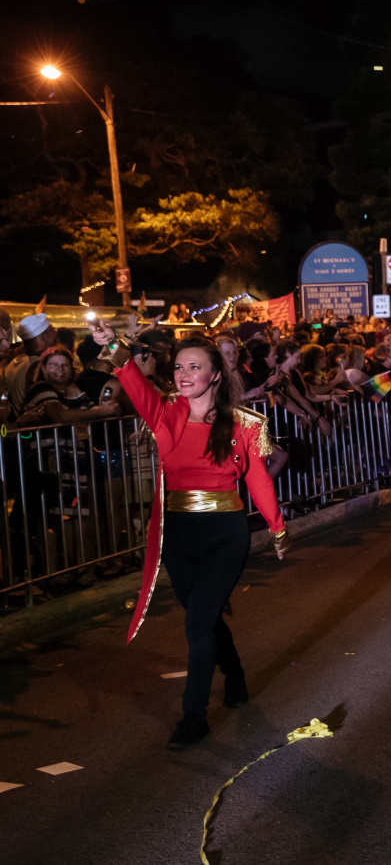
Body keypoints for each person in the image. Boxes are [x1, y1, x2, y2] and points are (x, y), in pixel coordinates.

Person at [89, 320, 288, 748]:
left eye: (193, 367)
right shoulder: (163, 411)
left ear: (215, 375)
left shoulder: (245, 424)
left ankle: (192, 716)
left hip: (225, 532)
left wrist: (276, 526)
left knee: (198, 623)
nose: (182, 374)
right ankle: (234, 675)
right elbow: (130, 375)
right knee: (206, 618)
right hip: (178, 533)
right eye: (178, 366)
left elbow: (257, 479)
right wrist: (113, 346)